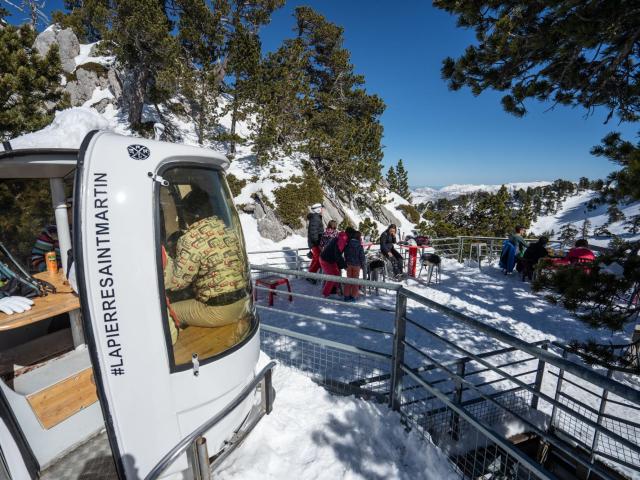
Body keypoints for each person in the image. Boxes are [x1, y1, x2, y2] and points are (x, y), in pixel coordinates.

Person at [162, 188, 250, 330]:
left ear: (194, 215)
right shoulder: (227, 229)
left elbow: (178, 282)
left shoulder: (190, 238)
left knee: (166, 312)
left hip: (219, 310)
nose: (183, 219)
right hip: (243, 303)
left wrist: (169, 260)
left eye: (184, 214)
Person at [319, 229, 349, 298]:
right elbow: (338, 254)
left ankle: (336, 290)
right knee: (332, 277)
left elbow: (337, 254)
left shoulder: (340, 238)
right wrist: (345, 266)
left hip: (330, 259)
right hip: (325, 260)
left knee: (337, 273)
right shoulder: (342, 240)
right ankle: (325, 294)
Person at [343, 230, 365, 302]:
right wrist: (362, 265)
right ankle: (353, 296)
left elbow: (345, 254)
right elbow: (362, 257)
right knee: (355, 281)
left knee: (348, 280)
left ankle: (346, 296)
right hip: (357, 265)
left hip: (349, 264)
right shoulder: (359, 246)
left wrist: (346, 262)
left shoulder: (347, 244)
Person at [307, 203, 324, 274]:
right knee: (318, 259)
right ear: (318, 209)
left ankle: (310, 274)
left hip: (315, 243)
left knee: (315, 259)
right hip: (315, 243)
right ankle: (311, 275)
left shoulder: (316, 217)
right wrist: (318, 243)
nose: (323, 209)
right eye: (321, 208)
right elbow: (313, 232)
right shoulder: (315, 219)